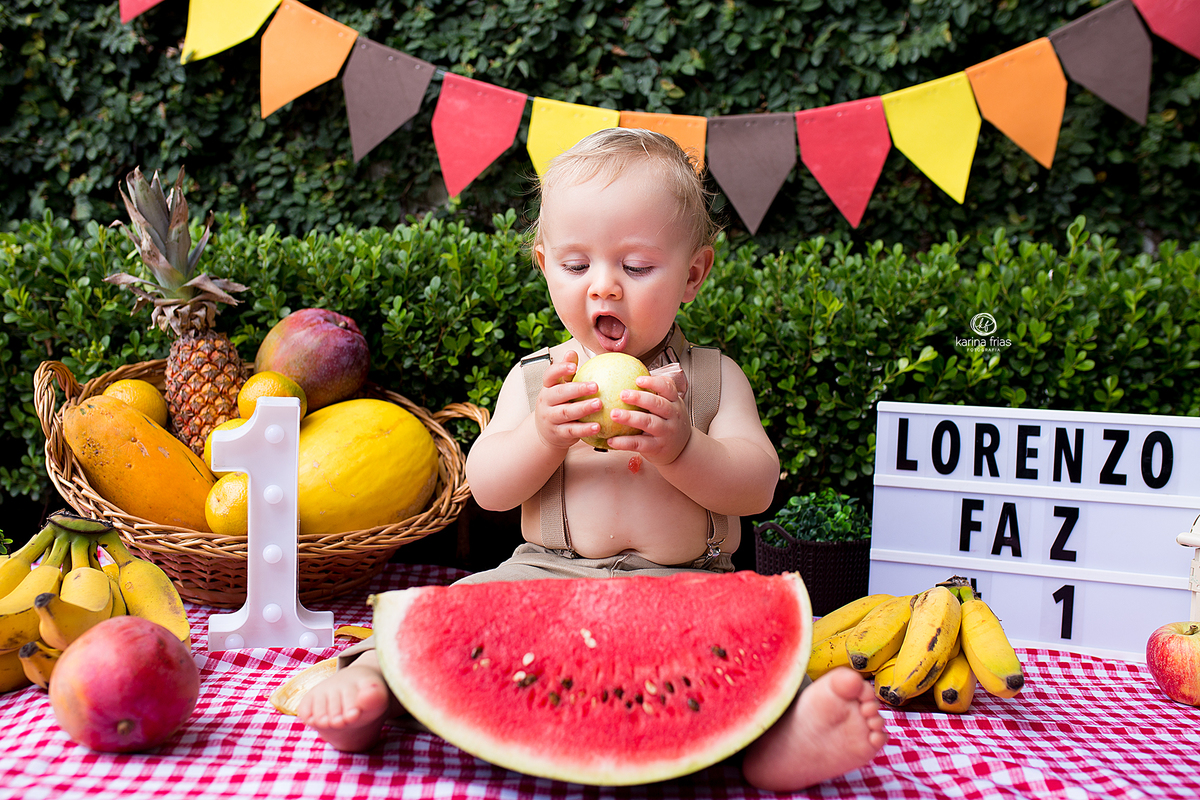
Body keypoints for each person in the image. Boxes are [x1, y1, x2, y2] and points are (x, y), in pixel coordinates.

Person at [296, 128, 887, 791]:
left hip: (686, 584)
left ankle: (777, 744)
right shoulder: (534, 381)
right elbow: (488, 487)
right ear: (545, 266)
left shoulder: (716, 379)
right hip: (543, 575)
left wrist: (684, 447)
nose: (603, 289)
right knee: (453, 609)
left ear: (694, 274)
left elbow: (755, 487)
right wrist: (543, 437)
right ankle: (370, 688)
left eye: (636, 268)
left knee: (760, 655)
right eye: (577, 266)